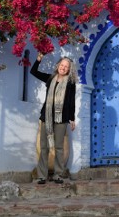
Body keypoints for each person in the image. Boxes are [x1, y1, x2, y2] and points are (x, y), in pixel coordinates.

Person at [31, 53, 77, 184]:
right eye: (62, 65)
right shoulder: (50, 78)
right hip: (46, 116)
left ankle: (58, 174)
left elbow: (71, 101)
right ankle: (41, 175)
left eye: (66, 66)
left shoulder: (70, 83)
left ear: (69, 69)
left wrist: (72, 118)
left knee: (58, 147)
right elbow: (33, 71)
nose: (63, 68)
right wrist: (38, 58)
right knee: (44, 146)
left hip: (61, 118)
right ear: (58, 66)